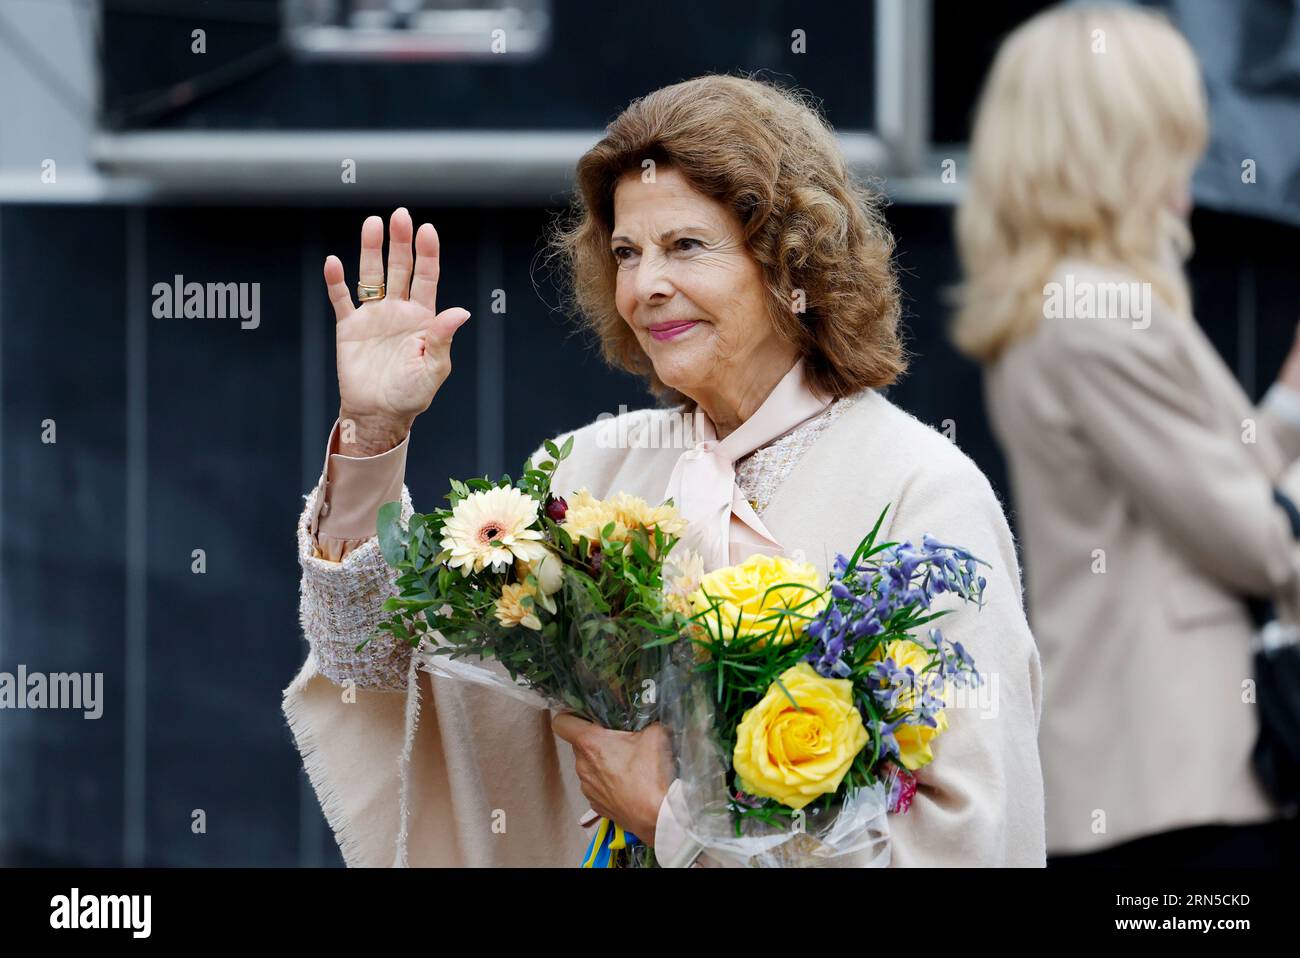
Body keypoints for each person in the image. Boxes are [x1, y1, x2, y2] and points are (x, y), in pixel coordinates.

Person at [283, 73, 1046, 867]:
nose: (645, 286)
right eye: (626, 252)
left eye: (686, 246)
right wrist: (375, 432)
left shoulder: (925, 492)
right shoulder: (590, 463)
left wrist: (674, 821)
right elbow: (373, 665)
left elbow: (969, 846)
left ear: (793, 264)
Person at [952, 5, 1300, 865]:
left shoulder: (1074, 304)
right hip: (1175, 782)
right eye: (1173, 128)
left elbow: (1213, 487)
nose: (1195, 151)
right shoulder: (1103, 314)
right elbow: (1260, 541)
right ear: (1118, 145)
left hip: (1151, 776)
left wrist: (1290, 398)